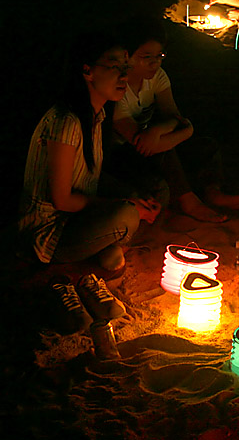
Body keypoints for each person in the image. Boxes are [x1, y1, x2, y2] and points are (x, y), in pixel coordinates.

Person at [18, 29, 159, 273]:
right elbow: (61, 200)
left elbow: (88, 175)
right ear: (87, 71)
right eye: (115, 66)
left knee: (154, 192)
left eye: (126, 66)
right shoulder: (66, 121)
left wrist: (131, 195)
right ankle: (107, 247)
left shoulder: (97, 115)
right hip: (49, 235)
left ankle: (106, 245)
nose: (124, 75)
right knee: (127, 215)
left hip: (79, 219)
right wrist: (124, 204)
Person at [108, 17, 239, 223]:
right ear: (126, 56)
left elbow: (174, 118)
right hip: (123, 152)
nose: (154, 62)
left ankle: (212, 191)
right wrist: (173, 130)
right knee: (165, 152)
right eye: (146, 56)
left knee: (204, 146)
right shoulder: (118, 87)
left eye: (159, 55)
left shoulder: (157, 76)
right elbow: (140, 143)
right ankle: (188, 201)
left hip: (153, 141)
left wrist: (170, 130)